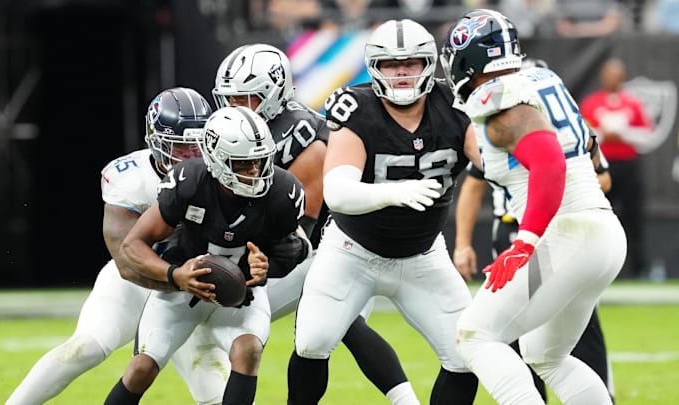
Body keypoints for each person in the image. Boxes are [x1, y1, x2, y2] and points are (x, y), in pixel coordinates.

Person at [212, 42, 422, 404]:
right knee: (318, 335)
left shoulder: (304, 139)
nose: (234, 109)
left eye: (245, 99)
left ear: (273, 94)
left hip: (331, 247)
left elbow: (295, 237)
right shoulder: (239, 135)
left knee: (331, 325)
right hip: (303, 250)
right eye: (228, 100)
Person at [287, 18, 482, 405]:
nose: (403, 72)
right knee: (312, 342)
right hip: (352, 251)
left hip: (423, 255)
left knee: (467, 355)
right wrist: (395, 192)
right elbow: (339, 192)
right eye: (393, 64)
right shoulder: (356, 107)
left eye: (411, 62)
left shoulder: (456, 105)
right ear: (375, 68)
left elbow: (490, 162)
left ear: (430, 63)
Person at [440, 8, 626, 404]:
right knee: (545, 354)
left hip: (566, 231)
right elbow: (588, 152)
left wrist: (525, 241)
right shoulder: (542, 79)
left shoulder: (500, 99)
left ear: (467, 59)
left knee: (474, 336)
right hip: (601, 229)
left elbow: (549, 162)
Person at [6, 87, 230, 405]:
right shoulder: (129, 177)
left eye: (197, 146)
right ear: (156, 140)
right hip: (139, 282)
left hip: (187, 294)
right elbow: (127, 262)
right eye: (181, 147)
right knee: (84, 349)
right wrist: (176, 276)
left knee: (215, 393)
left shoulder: (222, 174)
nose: (191, 156)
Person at [104, 106, 308, 405]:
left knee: (248, 350)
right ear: (217, 159)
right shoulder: (189, 180)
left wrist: (267, 265)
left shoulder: (282, 191)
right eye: (243, 164)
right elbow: (133, 246)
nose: (255, 172)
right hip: (182, 291)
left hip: (242, 295)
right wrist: (175, 275)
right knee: (141, 368)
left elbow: (296, 248)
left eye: (260, 161)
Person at [580, 57, 654, 279]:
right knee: (600, 216)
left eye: (616, 74)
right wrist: (604, 133)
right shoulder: (592, 103)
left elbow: (647, 135)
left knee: (633, 216)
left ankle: (639, 268)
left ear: (623, 76)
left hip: (628, 165)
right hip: (602, 167)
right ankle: (598, 269)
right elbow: (583, 135)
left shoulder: (633, 103)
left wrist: (624, 134)